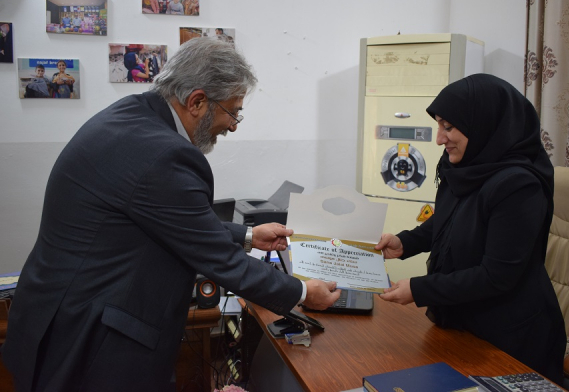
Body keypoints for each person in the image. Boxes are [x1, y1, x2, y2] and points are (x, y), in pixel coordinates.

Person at [1, 37, 341, 391]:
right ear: (197, 102)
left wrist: (248, 235)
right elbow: (220, 261)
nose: (234, 125)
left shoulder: (134, 115)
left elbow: (167, 219)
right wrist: (302, 292)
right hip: (87, 340)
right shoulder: (163, 154)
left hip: (55, 314)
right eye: (232, 111)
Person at [375, 74, 566, 385]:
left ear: (484, 123)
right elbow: (449, 220)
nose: (439, 139)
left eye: (449, 127)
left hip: (509, 337)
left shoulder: (519, 185)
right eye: (439, 125)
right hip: (462, 320)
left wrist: (420, 289)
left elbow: (496, 276)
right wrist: (404, 242)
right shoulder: (465, 165)